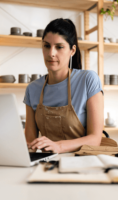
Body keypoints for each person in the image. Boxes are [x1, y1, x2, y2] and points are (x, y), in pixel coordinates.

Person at [23, 18, 104, 154]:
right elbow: (30, 142)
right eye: (47, 46)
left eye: (59, 47)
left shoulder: (88, 80)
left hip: (83, 162)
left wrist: (58, 146)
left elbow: (95, 139)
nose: (51, 53)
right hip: (47, 163)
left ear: (72, 50)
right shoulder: (32, 89)